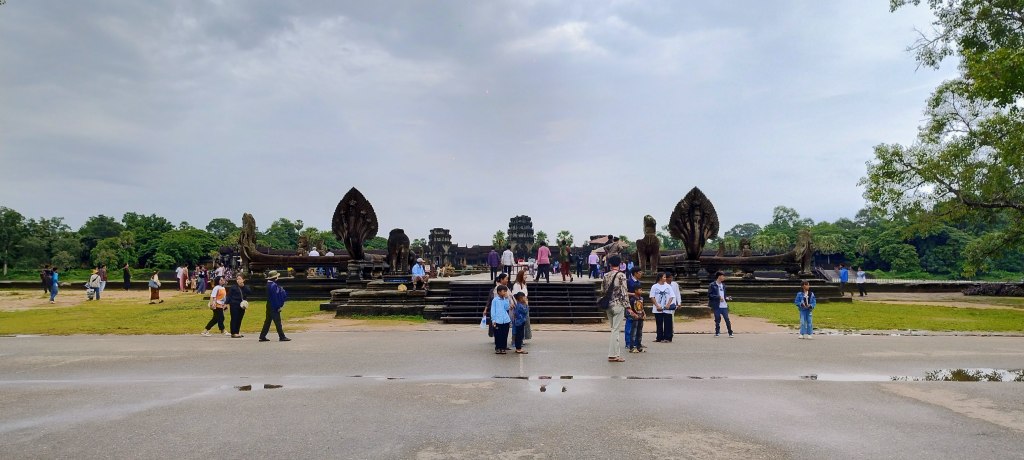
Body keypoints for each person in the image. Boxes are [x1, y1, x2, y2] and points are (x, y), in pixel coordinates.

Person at [602, 255, 629, 362]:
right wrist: (628, 306)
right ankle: (613, 354)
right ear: (620, 264)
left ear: (609, 264)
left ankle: (615, 354)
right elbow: (624, 292)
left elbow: (603, 290)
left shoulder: (606, 275)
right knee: (615, 330)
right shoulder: (621, 275)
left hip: (609, 304)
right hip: (618, 304)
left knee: (613, 329)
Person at [260, 270, 290, 342]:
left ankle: (262, 335)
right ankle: (282, 336)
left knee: (267, 321)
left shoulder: (268, 285)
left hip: (269, 305)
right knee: (277, 322)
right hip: (274, 305)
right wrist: (279, 306)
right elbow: (275, 297)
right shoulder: (273, 286)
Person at [650, 273, 675, 343]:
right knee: (659, 323)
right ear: (660, 278)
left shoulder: (668, 286)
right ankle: (659, 337)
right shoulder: (654, 286)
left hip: (666, 307)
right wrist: (657, 305)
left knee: (668, 323)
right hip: (658, 307)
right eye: (664, 277)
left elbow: (672, 296)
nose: (665, 278)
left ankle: (668, 337)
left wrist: (668, 304)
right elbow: (652, 296)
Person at [708, 271, 734, 337]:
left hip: (724, 305)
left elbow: (724, 296)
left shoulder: (723, 285)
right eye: (723, 276)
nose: (724, 277)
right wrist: (718, 297)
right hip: (717, 305)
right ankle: (717, 332)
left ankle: (730, 332)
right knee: (717, 319)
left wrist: (727, 298)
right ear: (719, 276)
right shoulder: (712, 285)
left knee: (727, 319)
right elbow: (710, 295)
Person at [624, 267, 644, 350]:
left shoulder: (638, 282)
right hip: (629, 304)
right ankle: (628, 343)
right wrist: (633, 294)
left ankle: (636, 343)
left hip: (638, 305)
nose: (641, 274)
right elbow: (624, 292)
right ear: (635, 273)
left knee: (637, 325)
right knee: (630, 323)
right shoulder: (628, 282)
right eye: (640, 272)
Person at [226, 274, 252, 338]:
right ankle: (233, 332)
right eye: (237, 279)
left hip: (242, 305)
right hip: (234, 304)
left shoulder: (245, 287)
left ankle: (237, 332)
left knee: (239, 319)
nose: (238, 280)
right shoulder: (233, 287)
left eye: (240, 279)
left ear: (243, 280)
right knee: (234, 318)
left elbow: (250, 292)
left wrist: (243, 286)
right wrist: (226, 303)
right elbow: (229, 296)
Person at [489, 285, 513, 354]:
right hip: (498, 320)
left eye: (506, 291)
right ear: (499, 292)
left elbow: (506, 308)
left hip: (505, 320)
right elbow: (493, 310)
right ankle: (498, 347)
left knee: (504, 335)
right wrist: (493, 320)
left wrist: (506, 299)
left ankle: (503, 347)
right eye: (504, 291)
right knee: (498, 335)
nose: (505, 292)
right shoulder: (495, 300)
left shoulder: (505, 299)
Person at [510, 270, 531, 342]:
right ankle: (516, 340)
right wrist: (517, 307)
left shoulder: (524, 284)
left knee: (524, 323)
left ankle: (521, 338)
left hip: (524, 305)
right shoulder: (517, 285)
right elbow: (515, 297)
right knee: (518, 324)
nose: (526, 276)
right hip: (519, 307)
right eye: (524, 275)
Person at [627, 287, 646, 353]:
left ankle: (639, 346)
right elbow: (630, 308)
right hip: (635, 317)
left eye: (641, 290)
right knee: (634, 332)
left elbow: (642, 307)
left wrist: (644, 314)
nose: (641, 291)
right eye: (640, 290)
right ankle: (632, 346)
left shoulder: (641, 299)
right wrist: (634, 315)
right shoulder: (632, 299)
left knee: (639, 332)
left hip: (641, 316)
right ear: (635, 291)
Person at [666, 272, 681, 341]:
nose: (671, 279)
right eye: (670, 277)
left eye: (672, 277)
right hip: (665, 304)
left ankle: (671, 330)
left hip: (673, 304)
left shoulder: (675, 284)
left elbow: (677, 293)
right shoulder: (664, 285)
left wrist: (679, 302)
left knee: (671, 318)